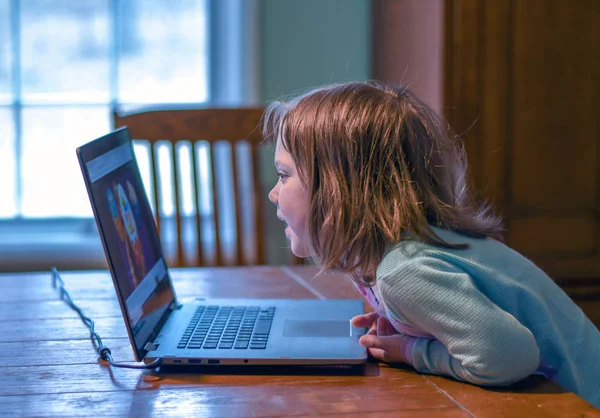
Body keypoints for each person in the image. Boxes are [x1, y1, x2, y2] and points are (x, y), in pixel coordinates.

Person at [264, 81, 600, 408]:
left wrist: (411, 351)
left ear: (341, 188)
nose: (273, 193)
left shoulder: (404, 272)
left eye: (283, 175)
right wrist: (410, 325)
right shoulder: (405, 252)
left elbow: (511, 357)